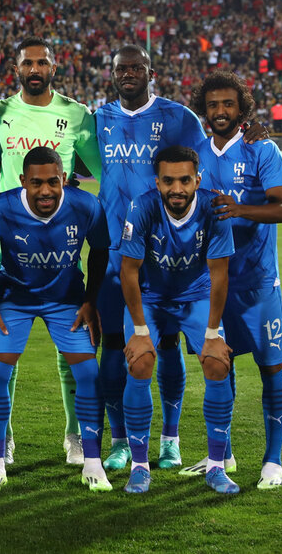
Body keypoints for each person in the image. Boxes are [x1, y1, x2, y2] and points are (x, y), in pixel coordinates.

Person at [92, 44, 211, 474]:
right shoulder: (97, 120)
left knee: (166, 344)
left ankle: (170, 440)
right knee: (112, 348)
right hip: (112, 253)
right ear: (112, 74)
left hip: (167, 256)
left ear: (150, 72)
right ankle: (121, 441)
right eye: (121, 68)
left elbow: (208, 165)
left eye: (136, 68)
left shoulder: (179, 118)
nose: (128, 74)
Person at [0, 36, 103, 466]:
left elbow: (99, 166)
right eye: (27, 62)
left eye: (42, 62)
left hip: (61, 245)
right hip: (10, 243)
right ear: (16, 68)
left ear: (55, 67)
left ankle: (74, 435)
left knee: (72, 350)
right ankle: (5, 435)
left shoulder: (76, 115)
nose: (35, 69)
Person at [0, 146, 111, 494]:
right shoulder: (0, 208)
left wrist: (91, 300)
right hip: (13, 300)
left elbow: (99, 251)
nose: (46, 191)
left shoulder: (86, 206)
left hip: (66, 300)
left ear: (64, 178)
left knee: (88, 372)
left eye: (54, 182)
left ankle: (92, 461)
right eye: (36, 183)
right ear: (23, 181)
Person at [188, 72, 282, 490]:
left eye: (228, 104)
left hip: (258, 282)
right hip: (214, 283)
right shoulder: (195, 152)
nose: (220, 112)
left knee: (272, 370)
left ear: (242, 108)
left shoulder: (261, 148)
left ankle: (273, 461)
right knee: (218, 367)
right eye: (212, 105)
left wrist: (241, 209)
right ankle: (222, 454)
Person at [118, 145, 237, 495]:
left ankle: (216, 466)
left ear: (197, 180)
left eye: (185, 180)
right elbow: (128, 272)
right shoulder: (141, 206)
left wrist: (213, 332)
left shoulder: (214, 208)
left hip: (196, 296)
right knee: (139, 362)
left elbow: (220, 274)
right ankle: (139, 467)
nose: (177, 188)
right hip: (151, 298)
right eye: (168, 181)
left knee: (217, 364)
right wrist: (140, 331)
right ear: (157, 182)